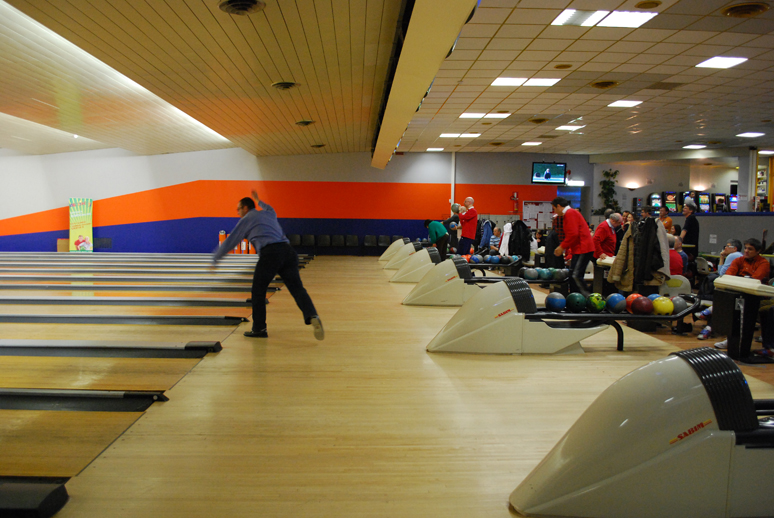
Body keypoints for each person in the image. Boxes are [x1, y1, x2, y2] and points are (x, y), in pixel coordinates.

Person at [212, 190, 323, 340]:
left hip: (270, 253)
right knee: (297, 288)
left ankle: (259, 329)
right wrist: (259, 200)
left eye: (238, 209)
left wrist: (215, 259)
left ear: (245, 208)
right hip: (288, 251)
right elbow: (271, 209)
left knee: (258, 291)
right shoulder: (269, 214)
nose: (237, 213)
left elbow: (231, 241)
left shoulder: (246, 219)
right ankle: (312, 314)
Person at [711, 239, 771, 348]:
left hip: (756, 297)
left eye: (750, 249)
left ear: (758, 251)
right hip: (737, 293)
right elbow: (728, 276)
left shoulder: (763, 263)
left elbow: (755, 280)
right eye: (746, 248)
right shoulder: (739, 260)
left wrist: (739, 279)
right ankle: (730, 338)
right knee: (726, 299)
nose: (746, 251)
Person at [552, 197, 595, 296]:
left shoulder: (570, 213)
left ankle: (589, 298)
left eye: (554, 208)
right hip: (579, 249)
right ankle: (574, 297)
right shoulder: (569, 213)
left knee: (576, 275)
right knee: (573, 275)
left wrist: (562, 247)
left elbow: (573, 234)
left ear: (559, 206)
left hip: (583, 248)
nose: (554, 211)